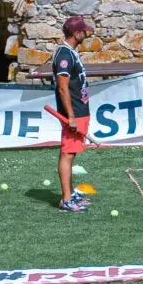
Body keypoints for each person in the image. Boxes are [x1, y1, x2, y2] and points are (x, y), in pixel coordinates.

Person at [53, 15, 95, 212]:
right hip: (74, 113)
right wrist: (70, 117)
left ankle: (69, 193)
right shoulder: (64, 55)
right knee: (67, 154)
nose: (87, 34)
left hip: (79, 111)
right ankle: (66, 200)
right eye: (84, 31)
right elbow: (62, 88)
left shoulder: (70, 52)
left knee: (71, 153)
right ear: (76, 34)